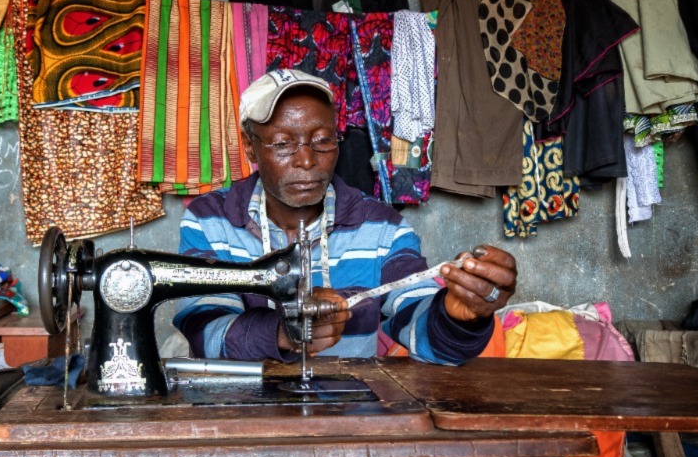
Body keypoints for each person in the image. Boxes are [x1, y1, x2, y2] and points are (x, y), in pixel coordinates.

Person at [173, 68, 517, 365]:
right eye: (282, 144)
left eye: (322, 141)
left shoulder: (383, 228)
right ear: (250, 146)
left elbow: (426, 339)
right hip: (238, 417)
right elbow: (206, 334)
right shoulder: (209, 220)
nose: (306, 161)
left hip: (347, 418)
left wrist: (459, 317)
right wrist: (282, 332)